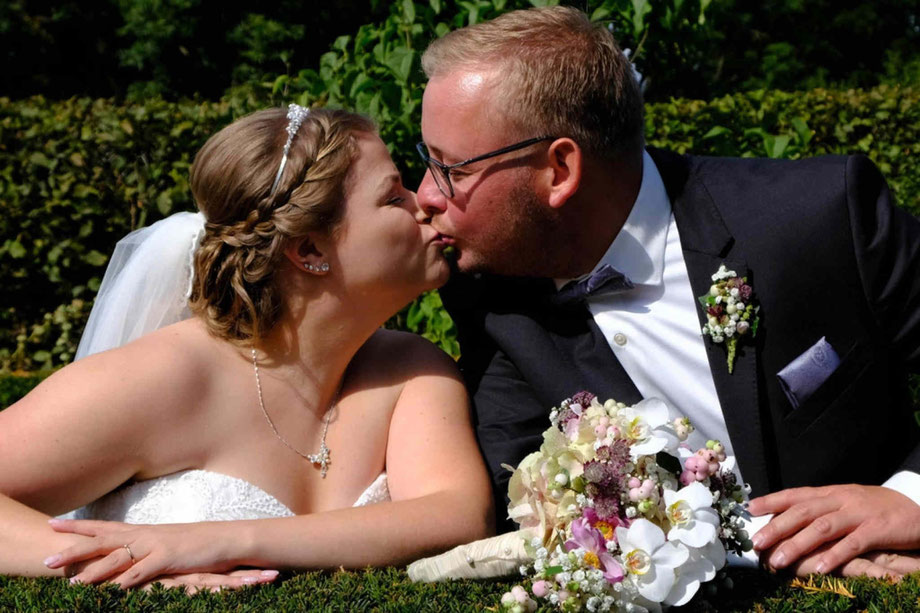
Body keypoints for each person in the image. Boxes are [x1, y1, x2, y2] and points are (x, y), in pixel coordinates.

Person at [413, 6, 920, 579]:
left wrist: (910, 497)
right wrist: (763, 545)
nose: (425, 194)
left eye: (450, 168)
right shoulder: (492, 300)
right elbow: (530, 495)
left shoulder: (819, 217)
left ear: (559, 170)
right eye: (425, 160)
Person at [0, 105, 493, 590]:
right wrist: (115, 564)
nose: (426, 201)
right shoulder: (169, 376)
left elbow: (456, 515)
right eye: (392, 197)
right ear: (310, 250)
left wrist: (218, 540)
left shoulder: (412, 368)